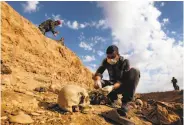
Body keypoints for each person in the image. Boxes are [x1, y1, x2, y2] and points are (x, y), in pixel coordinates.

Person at [93, 45, 140, 116]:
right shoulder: (106, 61)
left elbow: (123, 80)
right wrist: (98, 80)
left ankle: (125, 104)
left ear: (118, 55)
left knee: (135, 71)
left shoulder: (124, 62)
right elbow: (99, 71)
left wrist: (112, 87)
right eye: (108, 57)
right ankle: (110, 98)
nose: (110, 59)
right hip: (111, 84)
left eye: (112, 57)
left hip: (121, 85)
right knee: (99, 82)